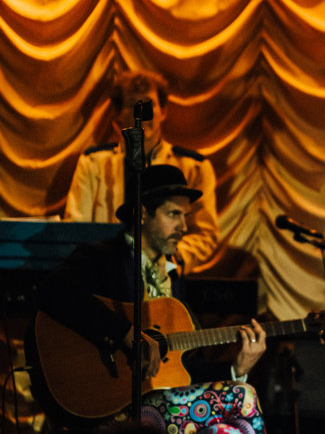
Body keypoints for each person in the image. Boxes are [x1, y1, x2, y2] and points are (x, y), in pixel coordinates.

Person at [35, 164, 267, 433]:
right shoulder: (105, 258)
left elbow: (183, 372)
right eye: (173, 214)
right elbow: (53, 290)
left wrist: (236, 368)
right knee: (243, 396)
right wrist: (124, 332)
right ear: (142, 213)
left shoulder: (173, 278)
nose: (183, 226)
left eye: (185, 216)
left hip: (160, 402)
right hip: (114, 407)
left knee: (227, 430)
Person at [64, 70, 220, 272]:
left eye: (149, 104)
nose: (142, 113)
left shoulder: (194, 167)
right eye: (132, 105)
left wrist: (168, 261)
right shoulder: (93, 163)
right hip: (105, 274)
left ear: (163, 111)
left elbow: (205, 234)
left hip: (166, 278)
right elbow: (77, 229)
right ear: (118, 114)